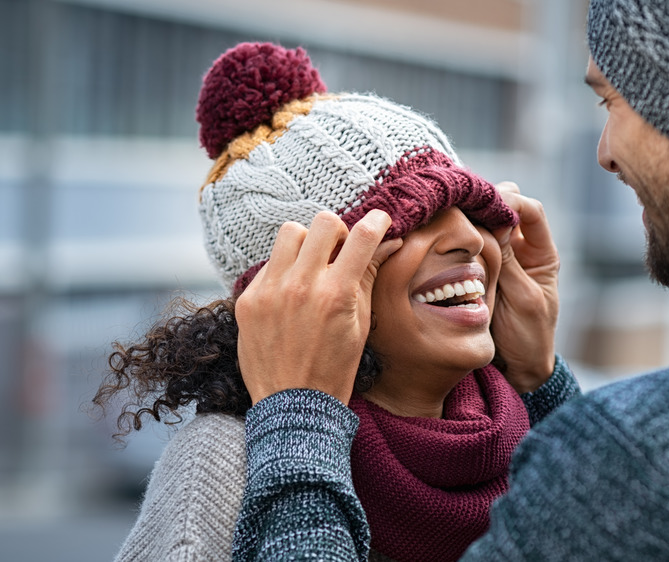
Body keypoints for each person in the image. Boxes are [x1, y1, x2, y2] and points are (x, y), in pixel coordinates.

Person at [230, 0, 669, 560]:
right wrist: (545, 385)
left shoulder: (645, 461)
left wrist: (295, 422)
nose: (606, 154)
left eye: (610, 104)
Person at [93, 42, 578, 562]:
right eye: (416, 216)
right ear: (301, 292)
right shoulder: (224, 465)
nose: (469, 236)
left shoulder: (539, 432)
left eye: (471, 208)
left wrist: (543, 382)